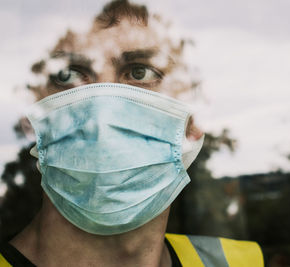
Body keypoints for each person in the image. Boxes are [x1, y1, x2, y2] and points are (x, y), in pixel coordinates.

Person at [0, 1, 264, 266]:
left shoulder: (241, 262)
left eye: (141, 72)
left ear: (197, 117)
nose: (102, 117)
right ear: (29, 119)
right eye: (67, 75)